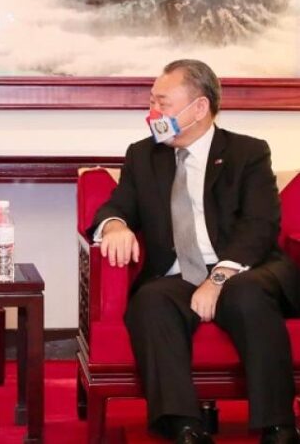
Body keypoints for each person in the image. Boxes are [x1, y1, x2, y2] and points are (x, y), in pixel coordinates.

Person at [91, 59, 300, 444]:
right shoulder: (143, 155)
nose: (153, 113)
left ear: (199, 107)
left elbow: (260, 225)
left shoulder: (248, 153)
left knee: (246, 293)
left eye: (163, 103)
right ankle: (182, 425)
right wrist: (115, 225)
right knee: (150, 301)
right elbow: (116, 205)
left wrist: (218, 279)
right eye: (152, 102)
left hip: (245, 268)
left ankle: (278, 427)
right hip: (180, 273)